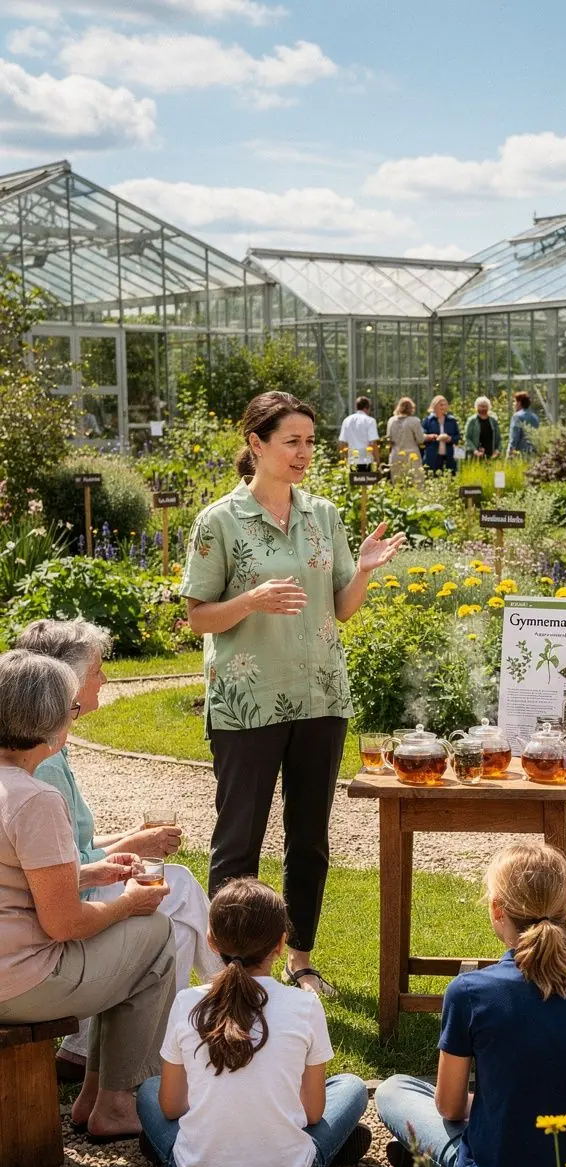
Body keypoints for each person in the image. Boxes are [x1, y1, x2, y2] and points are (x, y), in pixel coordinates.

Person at [182, 390, 405, 996]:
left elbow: (342, 609)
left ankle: (299, 959)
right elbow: (198, 617)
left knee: (309, 839)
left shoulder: (323, 515)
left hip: (320, 698)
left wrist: (362, 571)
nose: (305, 452)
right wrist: (250, 601)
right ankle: (232, 970)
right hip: (248, 702)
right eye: (292, 442)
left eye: (310, 441)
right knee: (239, 840)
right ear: (256, 444)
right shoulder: (219, 521)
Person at [376, 840, 566, 1167]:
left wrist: (493, 1107)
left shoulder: (469, 991)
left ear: (498, 910)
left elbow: (449, 1106)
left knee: (393, 1090)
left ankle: (430, 1158)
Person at [15, 619, 221, 1082]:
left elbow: (66, 850)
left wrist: (127, 842)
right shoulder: (40, 772)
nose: (105, 679)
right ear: (65, 686)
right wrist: (129, 866)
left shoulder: (38, 763)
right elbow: (60, 891)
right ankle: (232, 1000)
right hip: (34, 953)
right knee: (169, 905)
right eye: (97, 671)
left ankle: (103, 1060)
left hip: (31, 938)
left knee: (169, 919)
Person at [0, 650, 175, 1141]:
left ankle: (94, 1099)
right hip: (19, 985)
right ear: (50, 721)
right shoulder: (36, 799)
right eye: (71, 709)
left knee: (130, 944)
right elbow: (65, 925)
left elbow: (14, 878)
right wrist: (128, 904)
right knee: (156, 936)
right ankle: (115, 1103)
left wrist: (90, 872)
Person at [136, 877, 370, 1167]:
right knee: (350, 1087)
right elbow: (313, 1113)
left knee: (150, 1090)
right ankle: (322, 1149)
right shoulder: (305, 1005)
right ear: (281, 943)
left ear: (211, 940)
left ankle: (177, 1147)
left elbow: (170, 1107)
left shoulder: (187, 1002)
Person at [386, 397, 426, 482]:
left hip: (396, 455)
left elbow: (389, 439)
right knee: (416, 482)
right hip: (412, 456)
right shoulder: (414, 421)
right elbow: (420, 440)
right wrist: (427, 437)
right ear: (411, 408)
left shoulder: (391, 421)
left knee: (397, 482)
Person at [339, 396, 379, 474]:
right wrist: (377, 460)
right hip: (367, 461)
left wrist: (343, 459)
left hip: (352, 461)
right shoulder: (370, 421)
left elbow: (342, 443)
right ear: (366, 408)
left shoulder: (347, 420)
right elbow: (373, 443)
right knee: (366, 481)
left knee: (353, 481)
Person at [422, 395, 461, 475]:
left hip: (449, 456)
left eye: (445, 404)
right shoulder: (428, 420)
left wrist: (450, 438)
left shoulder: (452, 420)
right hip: (432, 456)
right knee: (432, 477)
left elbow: (457, 436)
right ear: (434, 406)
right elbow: (422, 436)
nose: (444, 407)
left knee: (450, 477)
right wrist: (432, 436)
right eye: (441, 405)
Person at [507, 391, 540, 456]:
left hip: (520, 454)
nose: (514, 404)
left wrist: (510, 453)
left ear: (519, 403)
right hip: (533, 453)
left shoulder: (517, 416)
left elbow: (514, 437)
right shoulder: (535, 417)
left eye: (514, 401)